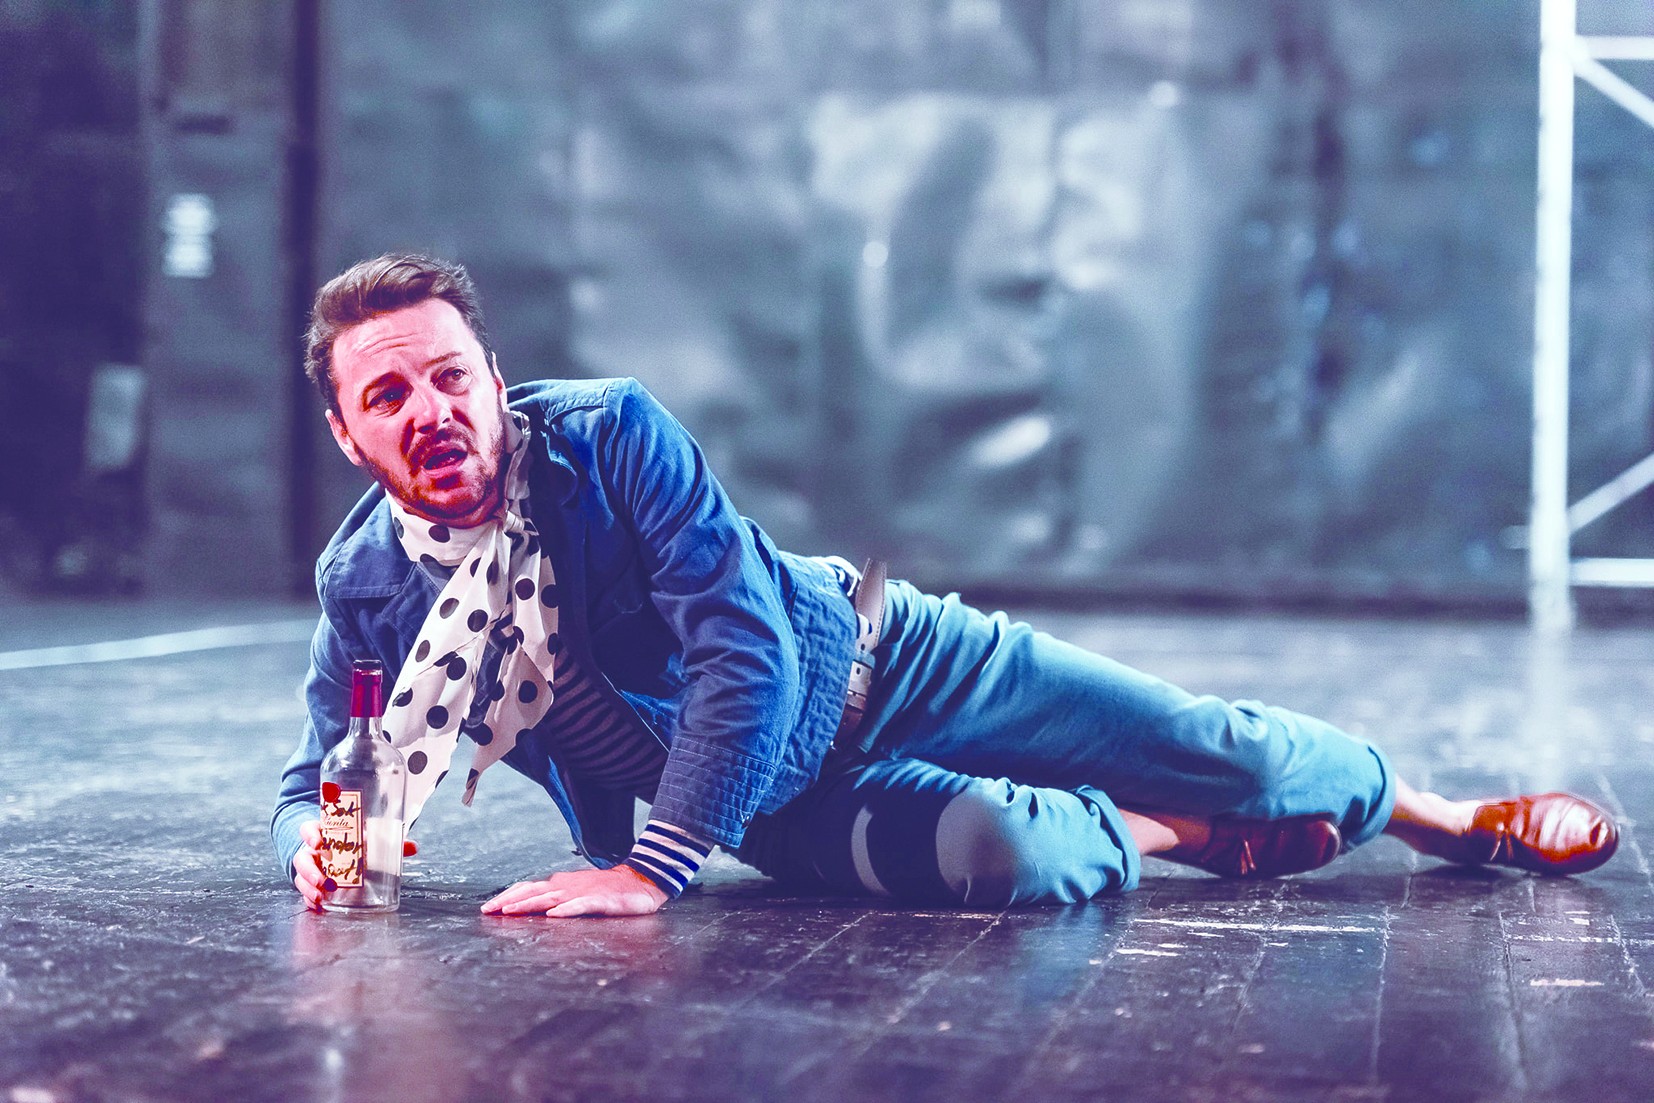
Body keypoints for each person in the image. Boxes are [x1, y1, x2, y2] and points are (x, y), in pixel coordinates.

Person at [273, 254, 1620, 918]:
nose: (430, 409)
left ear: (492, 378)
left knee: (1222, 747)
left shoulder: (607, 435)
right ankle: (1180, 837)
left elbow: (741, 649)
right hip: (774, 801)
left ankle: (1446, 820)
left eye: (450, 375)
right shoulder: (370, 593)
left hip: (883, 659)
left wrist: (651, 869)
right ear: (347, 434)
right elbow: (325, 775)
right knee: (1007, 860)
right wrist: (326, 857)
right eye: (388, 396)